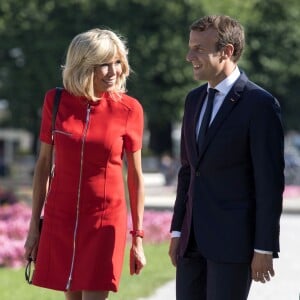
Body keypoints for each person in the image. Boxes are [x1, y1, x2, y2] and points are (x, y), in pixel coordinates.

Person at [24, 28, 146, 300]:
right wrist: (34, 227)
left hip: (104, 220)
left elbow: (135, 177)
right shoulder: (55, 101)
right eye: (104, 63)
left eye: (117, 61)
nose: (113, 70)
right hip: (61, 217)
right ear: (83, 65)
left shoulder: (129, 109)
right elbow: (43, 165)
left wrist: (137, 236)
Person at [169, 15, 284, 300]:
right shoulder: (193, 100)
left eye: (198, 48)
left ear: (227, 51)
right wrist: (175, 232)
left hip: (233, 245)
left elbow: (269, 183)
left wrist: (264, 247)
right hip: (190, 243)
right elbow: (188, 171)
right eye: (190, 46)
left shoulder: (260, 105)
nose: (189, 56)